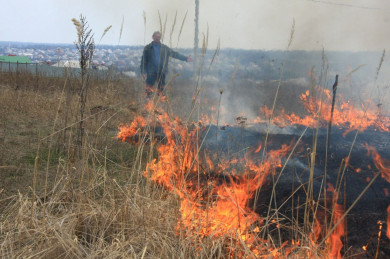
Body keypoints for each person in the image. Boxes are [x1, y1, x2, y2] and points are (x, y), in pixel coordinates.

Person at [140, 31, 192, 97]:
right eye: (156, 37)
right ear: (153, 37)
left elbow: (174, 54)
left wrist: (186, 58)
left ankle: (160, 104)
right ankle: (148, 104)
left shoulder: (164, 48)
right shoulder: (148, 48)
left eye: (159, 37)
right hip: (151, 72)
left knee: (161, 90)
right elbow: (143, 60)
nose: (157, 38)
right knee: (149, 90)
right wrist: (143, 71)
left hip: (162, 71)